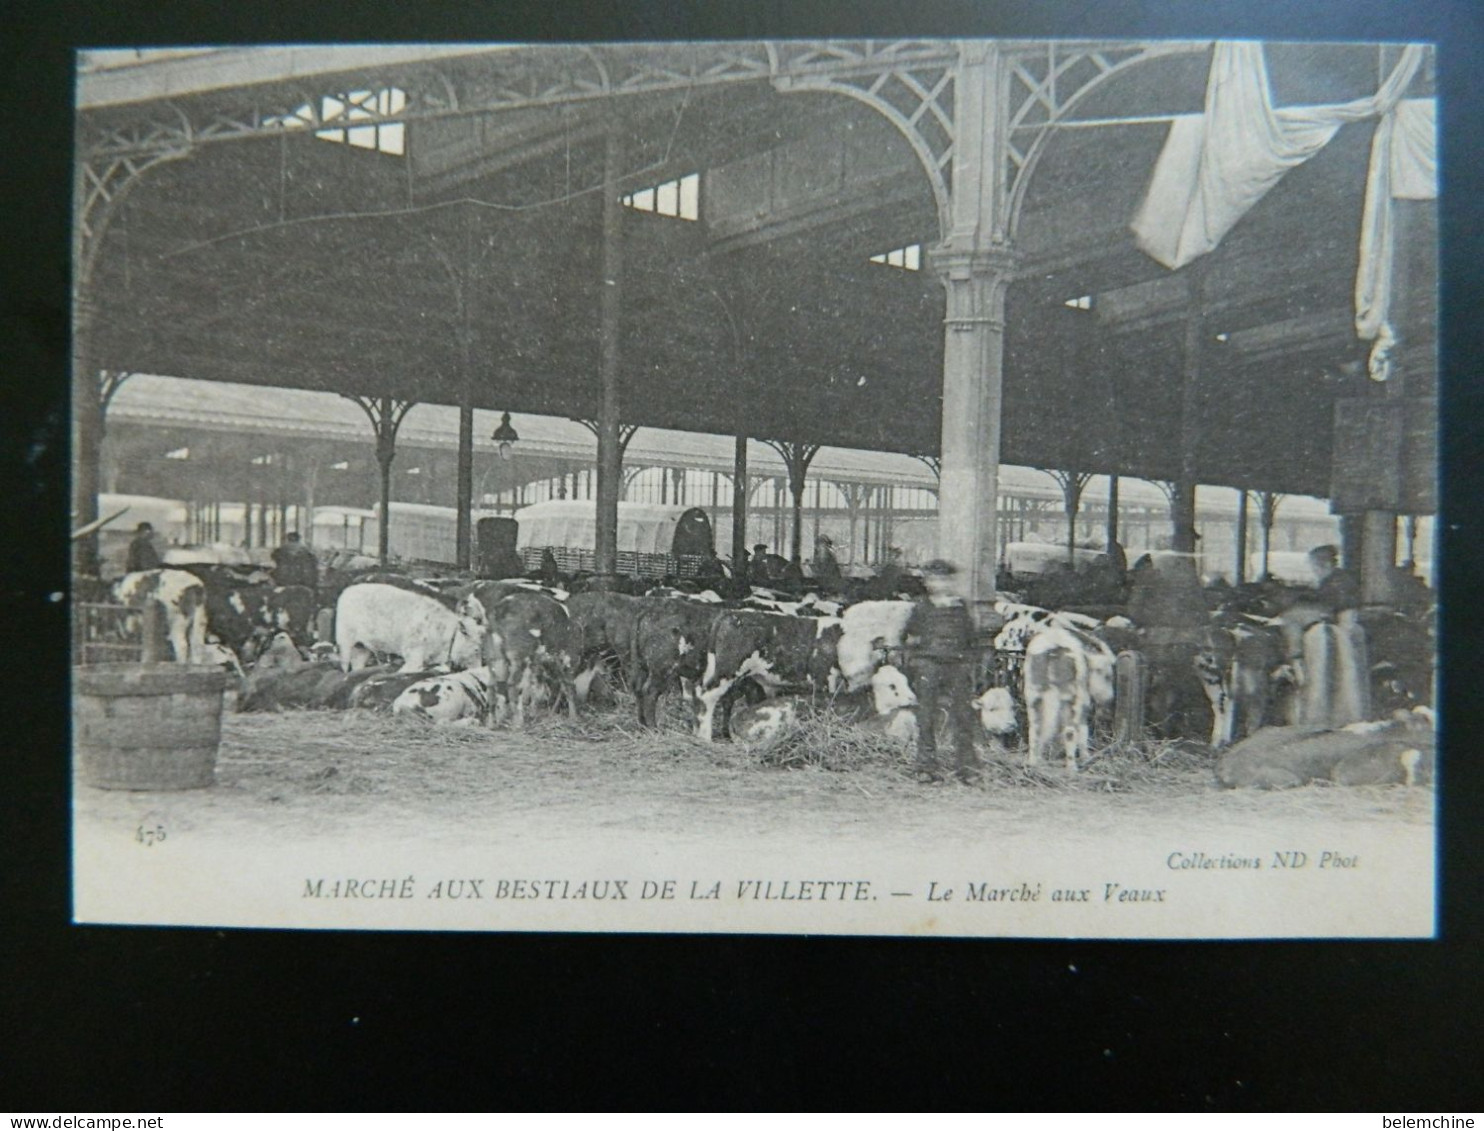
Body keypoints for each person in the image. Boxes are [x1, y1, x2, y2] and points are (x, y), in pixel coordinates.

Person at [903, 559, 983, 785]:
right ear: (927, 582)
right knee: (926, 717)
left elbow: (971, 638)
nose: (940, 584)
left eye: (945, 579)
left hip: (957, 666)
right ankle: (926, 767)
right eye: (934, 579)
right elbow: (909, 636)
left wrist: (967, 662)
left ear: (951, 581)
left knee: (963, 716)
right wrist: (919, 659)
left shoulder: (961, 608)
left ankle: (967, 768)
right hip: (929, 665)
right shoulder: (921, 607)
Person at [1308, 544, 1361, 615]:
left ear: (1327, 564)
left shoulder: (1338, 582)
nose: (1313, 569)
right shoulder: (1330, 580)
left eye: (1315, 564)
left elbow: (1337, 606)